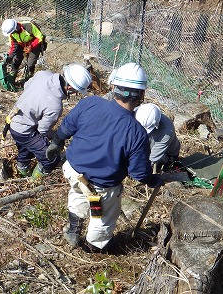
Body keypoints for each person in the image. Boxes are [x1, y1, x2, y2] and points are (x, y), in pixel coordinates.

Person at [46, 62, 163, 253]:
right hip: (102, 185)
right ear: (141, 95)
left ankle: (74, 229)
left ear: (114, 87)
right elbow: (139, 173)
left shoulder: (90, 103)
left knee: (78, 194)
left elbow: (67, 125)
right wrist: (153, 179)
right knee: (103, 217)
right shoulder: (137, 133)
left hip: (73, 171)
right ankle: (95, 246)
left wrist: (56, 142)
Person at [8, 64, 92, 179]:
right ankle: (34, 182)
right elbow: (43, 130)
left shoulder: (44, 74)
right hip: (24, 130)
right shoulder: (55, 105)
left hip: (14, 118)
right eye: (76, 91)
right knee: (51, 159)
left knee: (27, 149)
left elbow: (27, 85)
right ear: (70, 88)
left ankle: (22, 168)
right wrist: (58, 137)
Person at [135, 103, 181, 173]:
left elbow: (152, 158)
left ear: (156, 124)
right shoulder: (139, 113)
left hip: (165, 153)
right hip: (148, 146)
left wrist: (135, 168)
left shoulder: (167, 131)